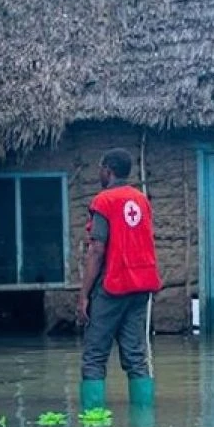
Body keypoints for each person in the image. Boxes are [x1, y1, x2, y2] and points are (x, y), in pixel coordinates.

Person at [77, 148, 161, 411]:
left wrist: (83, 295)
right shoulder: (142, 200)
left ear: (108, 170)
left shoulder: (104, 201)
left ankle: (93, 426)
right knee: (136, 355)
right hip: (141, 287)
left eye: (101, 169)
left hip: (112, 286)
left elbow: (97, 249)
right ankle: (143, 425)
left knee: (94, 355)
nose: (99, 173)